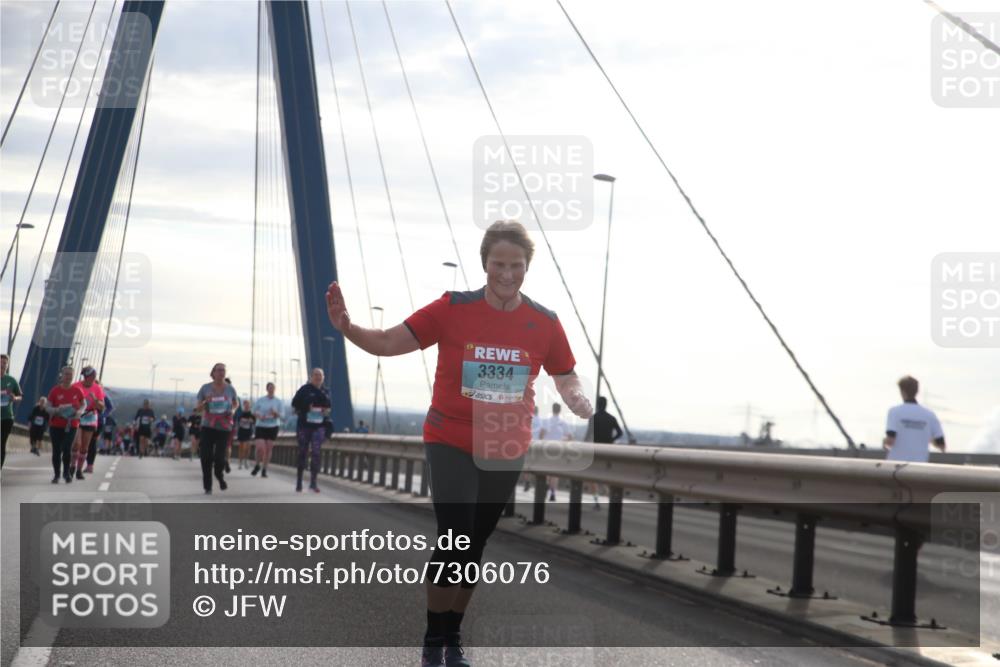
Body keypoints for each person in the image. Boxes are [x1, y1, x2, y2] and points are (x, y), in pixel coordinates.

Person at [326, 219, 592, 667]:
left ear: (527, 267)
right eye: (498, 264)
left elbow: (564, 373)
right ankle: (435, 639)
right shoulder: (452, 308)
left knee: (475, 543)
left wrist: (576, 397)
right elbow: (390, 342)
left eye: (516, 266)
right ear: (484, 263)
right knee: (455, 536)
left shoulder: (544, 323)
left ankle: (453, 636)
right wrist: (348, 327)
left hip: (505, 445)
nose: (507, 274)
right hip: (449, 437)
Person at [195, 363, 238, 494]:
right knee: (205, 456)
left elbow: (235, 404)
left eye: (223, 370)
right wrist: (205, 402)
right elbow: (197, 409)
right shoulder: (205, 388)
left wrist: (233, 410)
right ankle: (207, 486)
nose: (221, 373)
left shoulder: (230, 389)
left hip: (223, 428)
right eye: (218, 370)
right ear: (213, 373)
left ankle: (219, 476)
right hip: (208, 426)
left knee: (220, 459)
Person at [883, 375, 945, 463]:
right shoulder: (929, 414)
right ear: (917, 391)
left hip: (895, 466)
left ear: (902, 391)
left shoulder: (894, 412)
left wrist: (884, 442)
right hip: (918, 468)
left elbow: (890, 440)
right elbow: (941, 444)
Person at [290, 368, 332, 493]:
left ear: (323, 377)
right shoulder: (304, 390)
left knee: (316, 453)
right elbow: (294, 405)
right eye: (316, 375)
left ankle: (313, 482)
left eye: (320, 375)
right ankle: (299, 481)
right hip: (304, 426)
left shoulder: (326, 391)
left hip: (319, 426)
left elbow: (329, 408)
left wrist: (325, 411)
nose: (318, 377)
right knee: (302, 453)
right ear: (311, 377)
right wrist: (305, 407)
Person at [46, 366, 84, 483]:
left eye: (71, 374)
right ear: (62, 375)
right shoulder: (55, 391)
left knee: (67, 449)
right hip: (56, 424)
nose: (68, 377)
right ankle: (56, 474)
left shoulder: (77, 391)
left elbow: (83, 405)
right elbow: (48, 407)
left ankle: (66, 473)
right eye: (66, 374)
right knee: (56, 450)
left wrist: (79, 412)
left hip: (71, 424)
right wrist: (58, 410)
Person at [584, 396, 623, 508]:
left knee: (592, 476)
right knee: (606, 473)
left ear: (597, 405)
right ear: (606, 405)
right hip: (608, 450)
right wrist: (612, 439)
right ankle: (607, 493)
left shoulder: (593, 418)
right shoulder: (612, 418)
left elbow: (588, 435)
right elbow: (620, 433)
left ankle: (596, 500)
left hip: (595, 450)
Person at [70, 367, 105, 478]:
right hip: (78, 415)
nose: (91, 379)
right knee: (77, 443)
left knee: (85, 447)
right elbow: (69, 400)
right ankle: (72, 466)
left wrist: (95, 401)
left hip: (90, 417)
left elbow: (102, 407)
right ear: (85, 376)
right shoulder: (76, 386)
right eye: (88, 377)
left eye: (93, 377)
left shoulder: (97, 388)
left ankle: (79, 470)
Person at [538, 403, 572, 502]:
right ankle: (552, 493)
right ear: (560, 410)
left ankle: (547, 485)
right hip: (558, 449)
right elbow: (569, 437)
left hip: (547, 448)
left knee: (547, 471)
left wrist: (542, 442)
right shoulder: (563, 422)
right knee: (554, 474)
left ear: (552, 409)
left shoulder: (547, 421)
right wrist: (564, 441)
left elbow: (541, 434)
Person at [251, 381, 282, 478]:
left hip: (273, 426)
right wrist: (258, 416)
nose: (271, 389)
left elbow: (282, 415)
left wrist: (275, 413)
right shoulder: (261, 400)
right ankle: (257, 464)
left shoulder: (278, 401)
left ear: (275, 389)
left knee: (268, 448)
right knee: (260, 448)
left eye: (273, 388)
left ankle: (264, 469)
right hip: (261, 425)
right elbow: (253, 411)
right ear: (267, 389)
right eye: (270, 388)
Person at [1, 353, 23, 468]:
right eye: (0, 362)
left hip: (6, 417)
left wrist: (15, 398)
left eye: (4, 363)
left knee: (1, 444)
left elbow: (20, 396)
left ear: (7, 365)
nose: (2, 365)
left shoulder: (12, 380)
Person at [91, 390, 114, 466]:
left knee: (93, 442)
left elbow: (110, 407)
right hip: (85, 420)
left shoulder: (103, 395)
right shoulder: (85, 391)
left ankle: (90, 464)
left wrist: (103, 415)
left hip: (99, 422)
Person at [235, 400, 255, 469]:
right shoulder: (241, 413)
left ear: (250, 406)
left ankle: (246, 461)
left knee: (248, 448)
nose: (247, 406)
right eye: (245, 404)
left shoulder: (251, 413)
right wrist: (247, 420)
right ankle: (240, 462)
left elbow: (253, 421)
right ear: (244, 405)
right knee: (241, 448)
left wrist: (248, 420)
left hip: (249, 432)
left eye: (248, 404)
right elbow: (239, 420)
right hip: (242, 431)